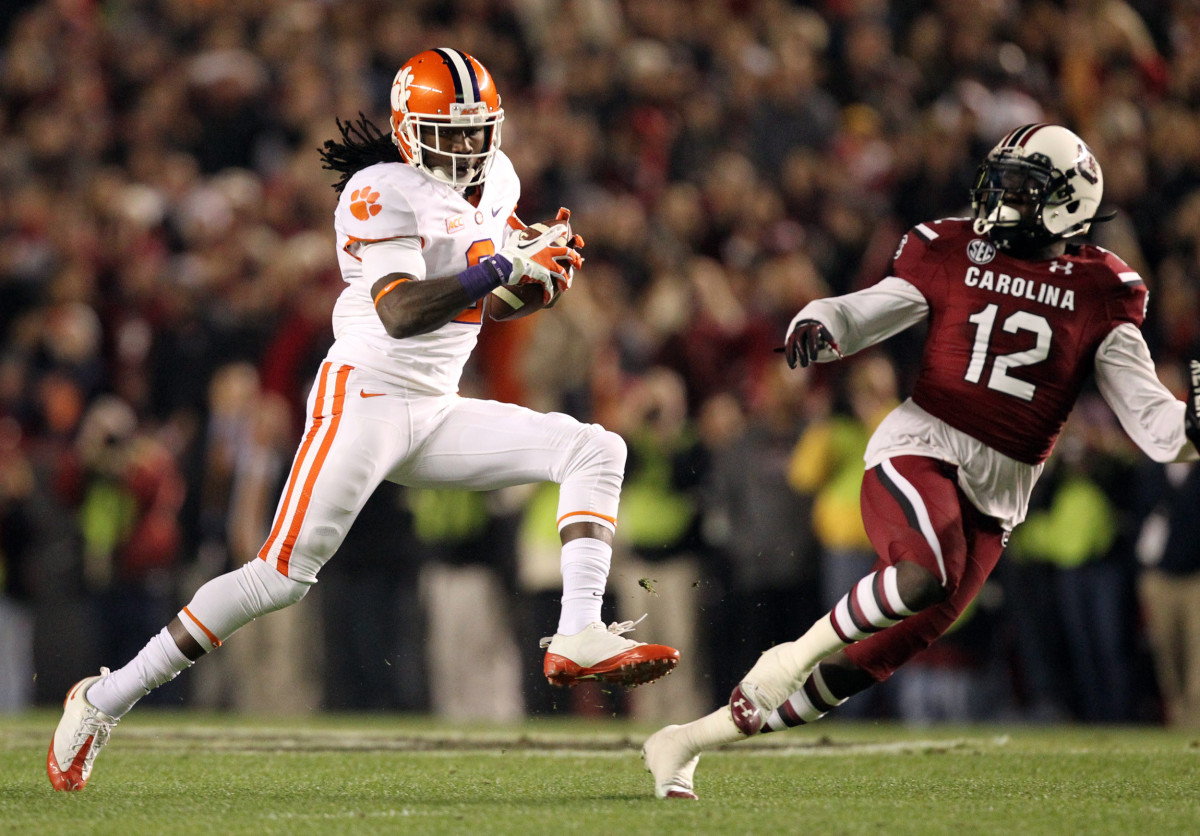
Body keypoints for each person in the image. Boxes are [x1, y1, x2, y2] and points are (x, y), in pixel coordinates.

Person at [47, 47, 679, 792]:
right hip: (366, 399)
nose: (469, 147)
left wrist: (540, 278)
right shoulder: (379, 189)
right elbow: (402, 311)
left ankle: (577, 631)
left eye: (478, 130)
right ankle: (101, 700)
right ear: (410, 131)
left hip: (435, 408)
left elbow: (487, 301)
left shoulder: (499, 179)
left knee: (596, 448)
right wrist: (503, 267)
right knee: (278, 578)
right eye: (452, 131)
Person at [643, 123, 1200, 799]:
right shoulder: (951, 246)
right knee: (920, 577)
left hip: (998, 498)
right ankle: (788, 656)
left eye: (1022, 187)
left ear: (1067, 201)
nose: (1002, 197)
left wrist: (1191, 424)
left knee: (865, 664)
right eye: (1002, 181)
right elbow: (874, 308)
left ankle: (686, 741)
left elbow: (1154, 422)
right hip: (923, 443)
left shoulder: (1103, 288)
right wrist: (823, 319)